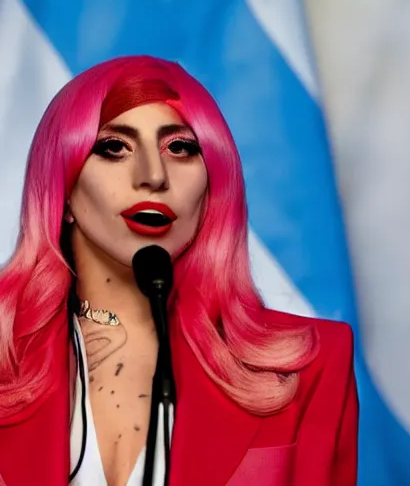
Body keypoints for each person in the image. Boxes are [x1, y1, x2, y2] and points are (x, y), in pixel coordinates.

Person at [0, 56, 358, 486]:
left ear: (211, 188)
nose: (153, 176)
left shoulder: (310, 364)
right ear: (64, 189)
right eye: (114, 146)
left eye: (180, 148)